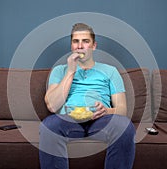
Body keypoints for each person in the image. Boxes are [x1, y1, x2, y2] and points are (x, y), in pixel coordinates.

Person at [39, 23, 135, 169]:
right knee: (48, 126)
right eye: (75, 41)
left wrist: (106, 111)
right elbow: (52, 105)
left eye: (85, 41)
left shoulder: (110, 71)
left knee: (125, 126)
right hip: (68, 118)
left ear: (94, 46)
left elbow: (122, 110)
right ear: (71, 46)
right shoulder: (60, 70)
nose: (80, 46)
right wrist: (70, 71)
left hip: (101, 119)